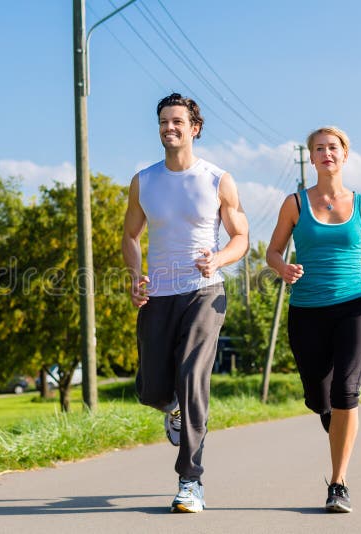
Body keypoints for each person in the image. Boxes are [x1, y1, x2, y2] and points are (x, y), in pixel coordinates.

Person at [122, 93, 249, 513]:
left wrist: (219, 258)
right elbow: (130, 236)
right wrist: (135, 275)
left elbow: (241, 237)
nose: (168, 128)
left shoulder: (217, 180)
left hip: (203, 291)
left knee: (193, 376)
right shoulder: (144, 180)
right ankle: (171, 408)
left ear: (194, 128)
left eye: (177, 121)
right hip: (157, 294)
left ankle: (190, 481)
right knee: (152, 388)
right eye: (163, 121)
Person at [266, 126, 361, 513]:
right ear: (312, 157)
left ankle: (338, 484)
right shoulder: (295, 204)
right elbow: (272, 252)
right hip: (306, 310)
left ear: (345, 155)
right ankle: (333, 419)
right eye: (319, 148)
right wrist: (283, 268)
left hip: (353, 306)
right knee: (319, 398)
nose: (326, 153)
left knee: (346, 391)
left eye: (333, 147)